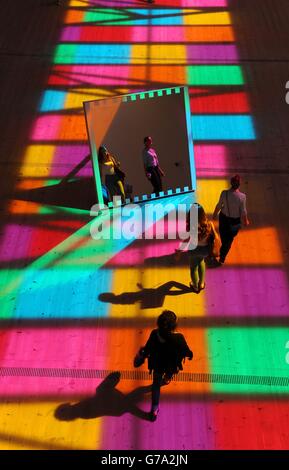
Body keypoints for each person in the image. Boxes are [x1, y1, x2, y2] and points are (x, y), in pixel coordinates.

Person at [134, 310, 193, 422]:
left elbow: (147, 349)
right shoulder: (179, 338)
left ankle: (154, 410)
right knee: (169, 374)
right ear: (174, 325)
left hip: (157, 364)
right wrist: (190, 355)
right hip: (171, 364)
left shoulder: (154, 334)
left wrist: (142, 355)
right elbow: (186, 351)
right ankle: (167, 379)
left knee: (156, 385)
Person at [213, 174, 249, 264]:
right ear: (239, 185)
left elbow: (219, 205)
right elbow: (243, 211)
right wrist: (246, 220)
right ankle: (222, 258)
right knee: (228, 241)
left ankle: (220, 253)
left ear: (231, 183)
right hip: (235, 222)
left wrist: (214, 215)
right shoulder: (242, 197)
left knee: (224, 238)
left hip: (223, 219)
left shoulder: (224, 193)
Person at [184, 204, 219, 292]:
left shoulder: (189, 227)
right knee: (201, 262)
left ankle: (195, 286)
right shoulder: (209, 224)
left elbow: (186, 240)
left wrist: (180, 250)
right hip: (205, 250)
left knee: (193, 268)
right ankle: (201, 283)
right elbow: (216, 237)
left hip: (193, 249)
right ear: (203, 213)